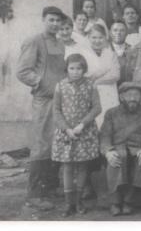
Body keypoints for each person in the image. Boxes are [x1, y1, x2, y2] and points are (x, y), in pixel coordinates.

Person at [16, 6, 67, 210]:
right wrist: (41, 83)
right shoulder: (34, 41)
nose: (55, 24)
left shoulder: (60, 42)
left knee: (57, 144)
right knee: (41, 146)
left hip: (60, 101)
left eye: (58, 21)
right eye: (51, 20)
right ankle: (34, 195)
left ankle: (50, 187)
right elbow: (22, 71)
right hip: (44, 100)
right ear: (44, 19)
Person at [51, 54, 102, 217]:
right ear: (67, 69)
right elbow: (56, 110)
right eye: (72, 68)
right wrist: (66, 129)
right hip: (66, 132)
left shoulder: (91, 85)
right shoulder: (60, 86)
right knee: (67, 167)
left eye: (79, 68)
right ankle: (68, 203)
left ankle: (79, 201)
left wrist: (82, 125)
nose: (75, 72)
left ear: (84, 69)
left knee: (82, 166)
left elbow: (96, 108)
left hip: (84, 131)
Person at [100, 82, 141, 216]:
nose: (133, 98)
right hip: (117, 148)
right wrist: (108, 151)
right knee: (118, 157)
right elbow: (105, 135)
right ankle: (115, 202)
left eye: (136, 95)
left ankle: (129, 201)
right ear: (121, 97)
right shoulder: (111, 113)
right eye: (129, 95)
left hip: (138, 148)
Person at [84, 24, 120, 129]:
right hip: (92, 94)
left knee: (109, 123)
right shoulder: (84, 54)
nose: (97, 41)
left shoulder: (110, 54)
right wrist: (105, 70)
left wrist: (96, 81)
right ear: (88, 38)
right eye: (94, 37)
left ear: (105, 38)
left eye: (100, 37)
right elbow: (86, 76)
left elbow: (115, 75)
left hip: (110, 94)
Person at [109, 21, 133, 85]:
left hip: (127, 88)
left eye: (122, 30)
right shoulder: (104, 50)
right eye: (115, 30)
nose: (118, 33)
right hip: (109, 88)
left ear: (126, 33)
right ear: (110, 33)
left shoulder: (133, 50)